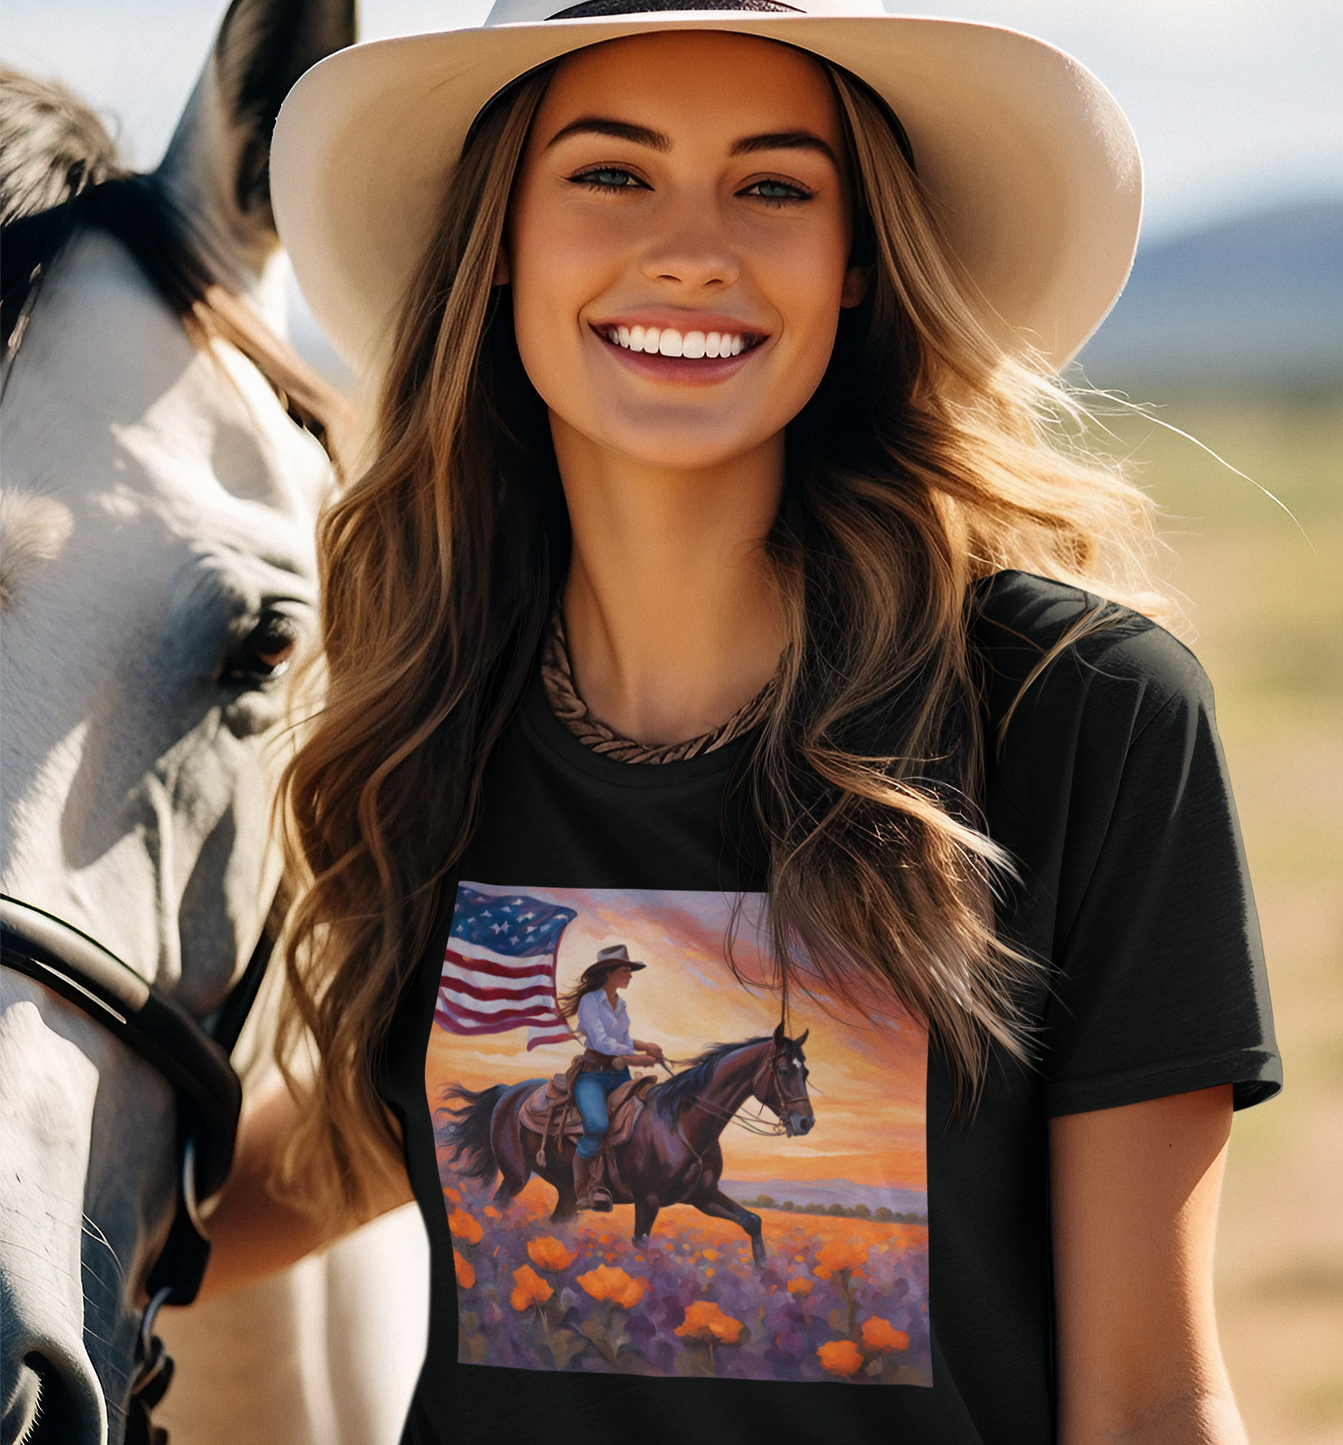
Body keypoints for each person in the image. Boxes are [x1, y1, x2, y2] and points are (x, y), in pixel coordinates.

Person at [199, 3, 1281, 1441]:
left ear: (853, 266)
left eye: (775, 186)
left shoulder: (1079, 712)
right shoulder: (428, 713)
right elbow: (341, 1158)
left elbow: (1151, 1399)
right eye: (610, 173)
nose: (694, 246)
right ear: (501, 242)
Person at [555, 944, 664, 1210]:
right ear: (609, 973)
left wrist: (644, 1045)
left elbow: (622, 1038)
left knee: (644, 1119)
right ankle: (582, 1190)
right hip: (592, 1076)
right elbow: (602, 1043)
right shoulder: (590, 1002)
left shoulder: (620, 1003)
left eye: (629, 970)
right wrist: (637, 1058)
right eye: (625, 970)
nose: (630, 975)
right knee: (597, 1125)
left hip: (619, 1074)